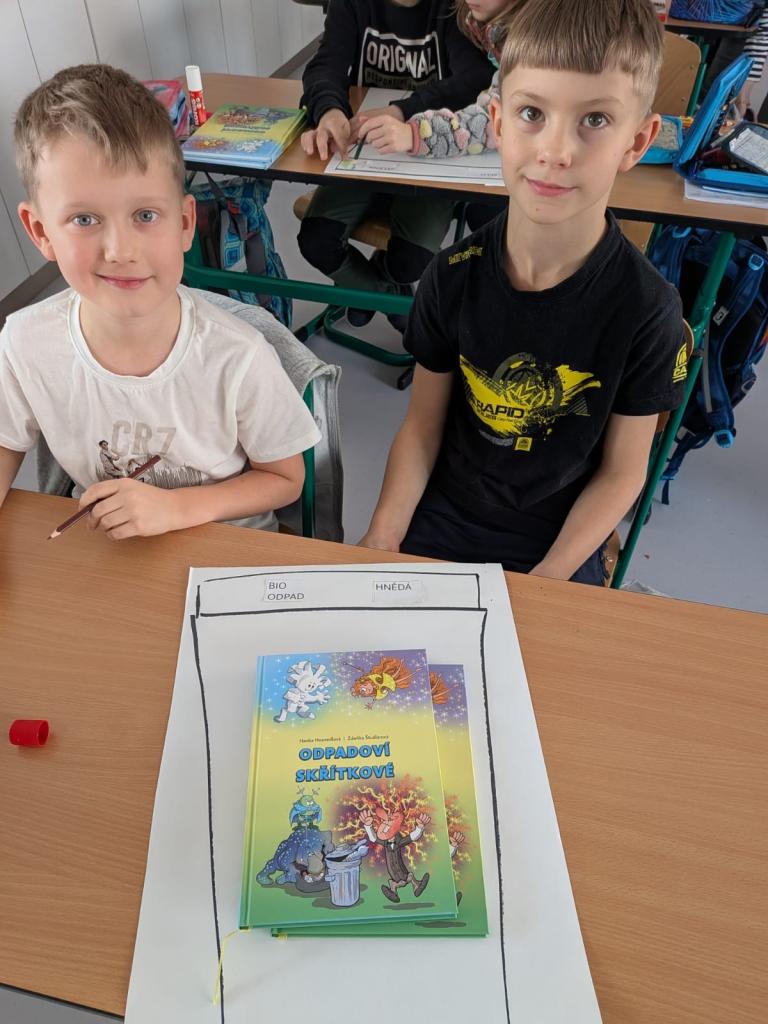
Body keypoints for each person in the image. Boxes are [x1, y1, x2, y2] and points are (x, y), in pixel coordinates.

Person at [360, 0, 688, 585]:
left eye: (595, 120)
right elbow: (422, 427)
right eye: (532, 112)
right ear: (499, 122)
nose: (555, 152)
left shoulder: (648, 311)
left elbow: (622, 472)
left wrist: (547, 580)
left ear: (637, 142)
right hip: (445, 518)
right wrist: (383, 535)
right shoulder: (451, 276)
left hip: (560, 542)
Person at [0, 64, 320, 539]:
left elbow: (286, 479)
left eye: (145, 215)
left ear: (185, 224)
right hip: (109, 548)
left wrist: (175, 509)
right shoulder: (25, 343)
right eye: (85, 220)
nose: (120, 251)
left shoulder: (239, 354)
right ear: (41, 232)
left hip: (226, 545)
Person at [297, 0, 490, 331]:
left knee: (410, 261)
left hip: (431, 151)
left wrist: (402, 110)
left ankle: (370, 288)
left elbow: (475, 80)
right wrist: (329, 110)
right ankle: (388, 298)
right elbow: (325, 65)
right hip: (363, 150)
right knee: (317, 240)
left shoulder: (454, 7)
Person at [356, 0, 522, 231]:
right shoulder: (477, 19)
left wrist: (415, 134)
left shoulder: (533, 38)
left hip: (542, 184)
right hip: (511, 167)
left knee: (488, 229)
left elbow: (493, 118)